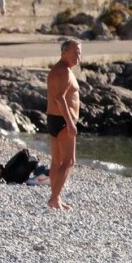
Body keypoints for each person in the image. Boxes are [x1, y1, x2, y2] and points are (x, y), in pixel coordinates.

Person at [45, 39, 82, 210]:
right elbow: (59, 98)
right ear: (64, 52)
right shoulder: (64, 72)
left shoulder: (59, 69)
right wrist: (70, 123)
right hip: (62, 120)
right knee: (69, 161)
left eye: (79, 52)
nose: (78, 56)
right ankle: (54, 198)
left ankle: (56, 199)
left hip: (54, 119)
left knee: (57, 161)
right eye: (74, 52)